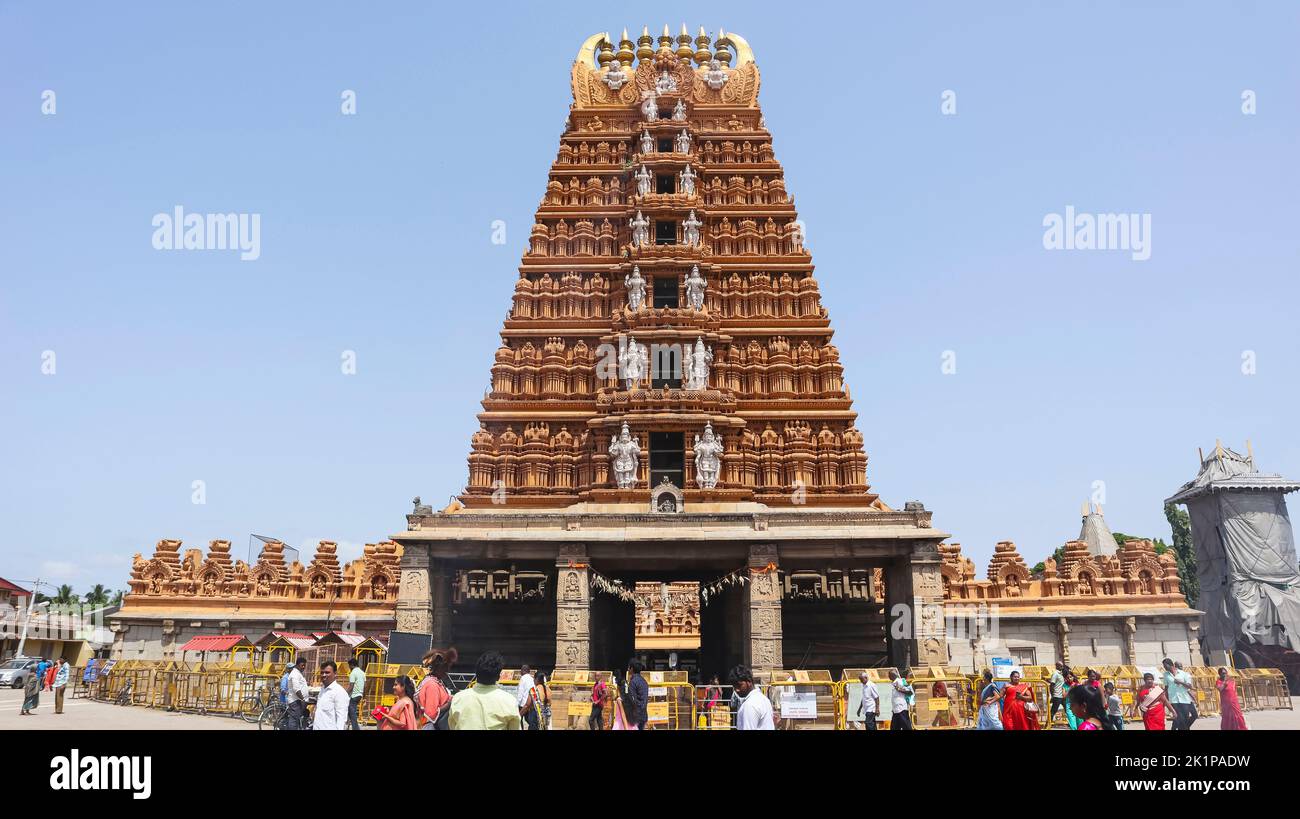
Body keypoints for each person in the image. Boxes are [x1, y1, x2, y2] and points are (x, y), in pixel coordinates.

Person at [448, 651, 521, 730]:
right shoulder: (509, 701)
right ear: (498, 677)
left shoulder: (458, 698)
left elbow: (452, 725)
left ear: (476, 673)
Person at [416, 648, 455, 730]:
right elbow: (432, 713)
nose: (447, 670)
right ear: (439, 668)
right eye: (446, 667)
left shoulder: (433, 681)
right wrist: (449, 703)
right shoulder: (432, 685)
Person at [729, 665, 774, 730]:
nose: (736, 690)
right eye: (734, 686)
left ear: (749, 682)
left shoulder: (750, 705)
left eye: (739, 685)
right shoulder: (764, 699)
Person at [1161, 657, 1197, 730]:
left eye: (1165, 665)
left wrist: (1180, 682)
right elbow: (1166, 688)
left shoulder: (1184, 674)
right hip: (1174, 700)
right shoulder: (1166, 675)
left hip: (1185, 700)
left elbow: (1189, 686)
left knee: (1185, 719)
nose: (1164, 667)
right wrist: (1166, 701)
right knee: (1179, 718)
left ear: (1170, 664)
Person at [313, 661, 350, 730]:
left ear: (335, 674)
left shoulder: (339, 692)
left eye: (327, 672)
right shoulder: (323, 690)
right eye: (322, 672)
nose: (324, 675)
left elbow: (341, 718)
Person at [284, 657, 309, 730]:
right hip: (296, 701)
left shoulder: (298, 673)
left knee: (299, 718)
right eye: (302, 665)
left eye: (304, 665)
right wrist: (303, 699)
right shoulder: (295, 674)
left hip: (298, 700)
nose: (303, 667)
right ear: (297, 665)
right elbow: (296, 689)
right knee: (294, 721)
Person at [625, 658, 649, 730]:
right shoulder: (644, 681)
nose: (628, 669)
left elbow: (632, 699)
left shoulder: (633, 682)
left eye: (629, 667)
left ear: (632, 669)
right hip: (643, 715)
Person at [344, 657, 366, 730]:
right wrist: (364, 696)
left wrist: (344, 694)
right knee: (351, 712)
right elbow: (365, 686)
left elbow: (351, 686)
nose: (349, 667)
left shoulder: (353, 673)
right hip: (360, 695)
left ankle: (355, 728)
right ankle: (348, 726)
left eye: (349, 666)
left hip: (354, 695)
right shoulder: (362, 673)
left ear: (352, 665)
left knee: (352, 713)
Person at [517, 664, 539, 731]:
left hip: (523, 704)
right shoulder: (532, 679)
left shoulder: (523, 679)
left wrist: (517, 704)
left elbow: (520, 693)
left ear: (523, 671)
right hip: (530, 703)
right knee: (529, 720)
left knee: (518, 719)